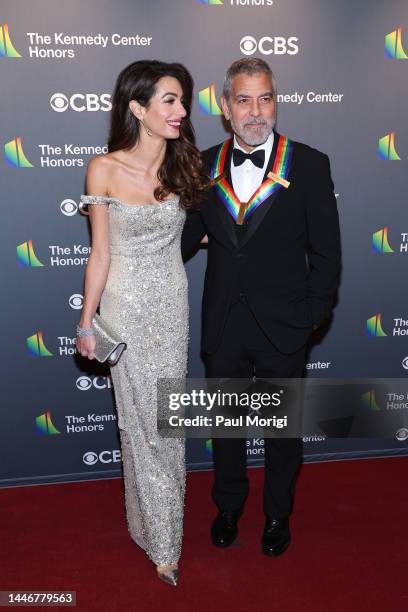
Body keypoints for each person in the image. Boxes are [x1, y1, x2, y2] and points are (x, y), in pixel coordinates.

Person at [181, 58, 341, 557]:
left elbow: (328, 253)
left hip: (285, 325)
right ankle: (228, 506)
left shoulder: (310, 164)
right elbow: (183, 241)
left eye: (266, 98)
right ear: (225, 108)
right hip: (224, 322)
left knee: (281, 432)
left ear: (276, 102)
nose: (257, 111)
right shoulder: (202, 166)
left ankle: (277, 514)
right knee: (226, 428)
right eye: (244, 100)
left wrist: (311, 317)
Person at [76, 60, 206, 586]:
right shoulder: (103, 168)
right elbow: (100, 254)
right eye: (169, 100)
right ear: (138, 108)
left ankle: (155, 525)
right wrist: (87, 321)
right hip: (125, 305)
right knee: (139, 424)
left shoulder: (186, 166)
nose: (180, 110)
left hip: (172, 305)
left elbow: (201, 232)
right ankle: (162, 543)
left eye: (181, 100)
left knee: (166, 422)